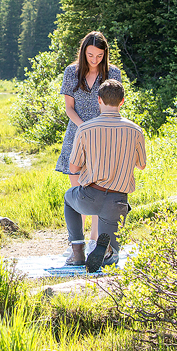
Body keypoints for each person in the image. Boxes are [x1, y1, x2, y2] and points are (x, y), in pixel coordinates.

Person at [63, 78, 146, 270]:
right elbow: (141, 165)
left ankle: (77, 251)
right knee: (113, 258)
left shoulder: (85, 128)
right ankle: (108, 251)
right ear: (122, 101)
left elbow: (74, 168)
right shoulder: (136, 130)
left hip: (89, 196)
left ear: (99, 100)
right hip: (118, 201)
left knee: (69, 199)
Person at [56, 31, 121, 251]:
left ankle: (94, 241)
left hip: (104, 139)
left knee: (97, 190)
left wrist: (98, 129)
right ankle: (76, 242)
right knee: (77, 194)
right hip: (77, 136)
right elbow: (69, 108)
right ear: (83, 52)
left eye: (99, 56)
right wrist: (85, 127)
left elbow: (115, 106)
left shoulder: (113, 73)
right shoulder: (71, 72)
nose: (94, 60)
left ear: (105, 54)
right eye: (90, 55)